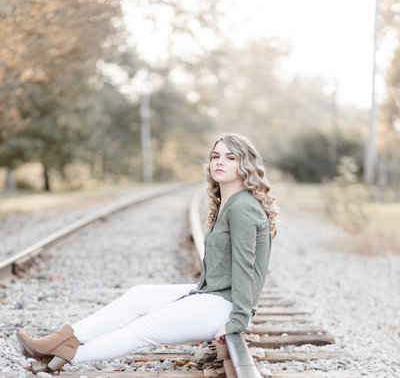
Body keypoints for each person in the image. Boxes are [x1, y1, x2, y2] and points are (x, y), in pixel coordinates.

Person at [16, 132, 279, 374]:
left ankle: (69, 355)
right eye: (216, 156)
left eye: (230, 158)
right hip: (212, 294)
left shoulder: (242, 208)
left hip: (226, 305)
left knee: (141, 330)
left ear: (245, 165)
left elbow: (245, 269)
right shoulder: (229, 202)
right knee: (138, 296)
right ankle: (58, 341)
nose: (220, 162)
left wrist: (237, 321)